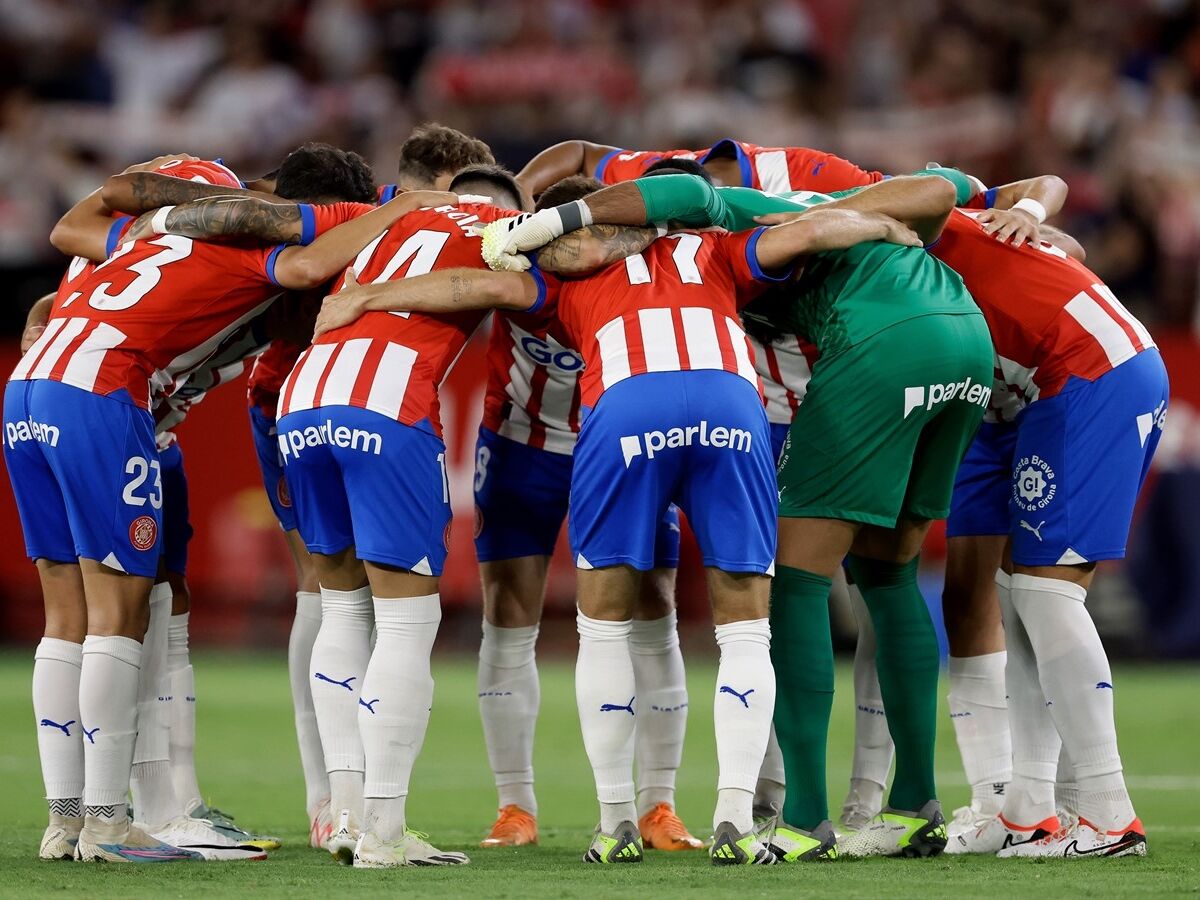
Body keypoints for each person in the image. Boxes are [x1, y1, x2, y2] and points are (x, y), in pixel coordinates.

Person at [313, 175, 919, 865]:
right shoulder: (712, 248)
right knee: (747, 622)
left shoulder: (561, 271)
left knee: (602, 623)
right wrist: (885, 227)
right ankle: (732, 816)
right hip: (729, 399)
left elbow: (469, 288)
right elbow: (813, 229)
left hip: (628, 404)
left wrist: (366, 296)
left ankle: (614, 821)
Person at [481, 167, 994, 859]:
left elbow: (502, 275)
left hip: (815, 361)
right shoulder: (756, 231)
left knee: (766, 586)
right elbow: (931, 191)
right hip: (954, 346)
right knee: (876, 578)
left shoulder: (667, 230)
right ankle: (877, 804)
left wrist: (535, 228)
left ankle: (760, 819)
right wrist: (877, 219)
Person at [8, 143, 436, 862]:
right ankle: (112, 824)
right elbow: (300, 267)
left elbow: (71, 252)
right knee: (120, 612)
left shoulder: (146, 237)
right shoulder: (245, 239)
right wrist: (399, 211)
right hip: (105, 396)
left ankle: (68, 818)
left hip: (31, 389)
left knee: (67, 615)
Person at [273, 165, 527, 868]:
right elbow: (511, 285)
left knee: (342, 607)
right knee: (408, 622)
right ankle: (385, 830)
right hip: (385, 399)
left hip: (303, 397)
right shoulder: (499, 226)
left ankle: (347, 816)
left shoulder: (385, 218)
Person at [927, 202, 1165, 859]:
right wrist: (1030, 209)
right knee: (1012, 594)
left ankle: (1111, 816)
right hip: (1030, 390)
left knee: (1045, 593)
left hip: (1090, 369)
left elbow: (1041, 188)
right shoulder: (924, 230)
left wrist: (1029, 209)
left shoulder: (910, 225)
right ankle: (1029, 807)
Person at [473, 175, 697, 852]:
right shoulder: (514, 265)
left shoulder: (642, 269)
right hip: (523, 444)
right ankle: (515, 807)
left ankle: (659, 805)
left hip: (625, 444)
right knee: (509, 613)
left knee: (655, 609)